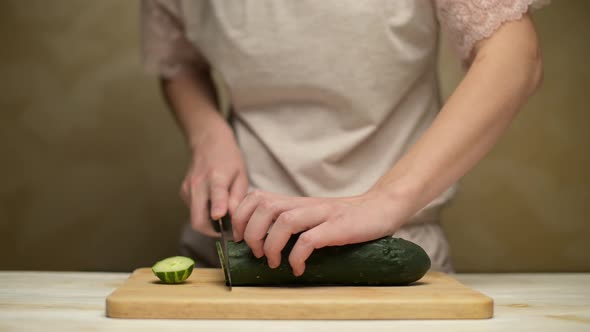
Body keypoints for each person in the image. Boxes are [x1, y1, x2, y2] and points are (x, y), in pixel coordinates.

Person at [141, 0, 547, 274]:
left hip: (384, 251)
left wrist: (386, 199)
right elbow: (180, 62)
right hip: (234, 253)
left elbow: (514, 56)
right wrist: (207, 134)